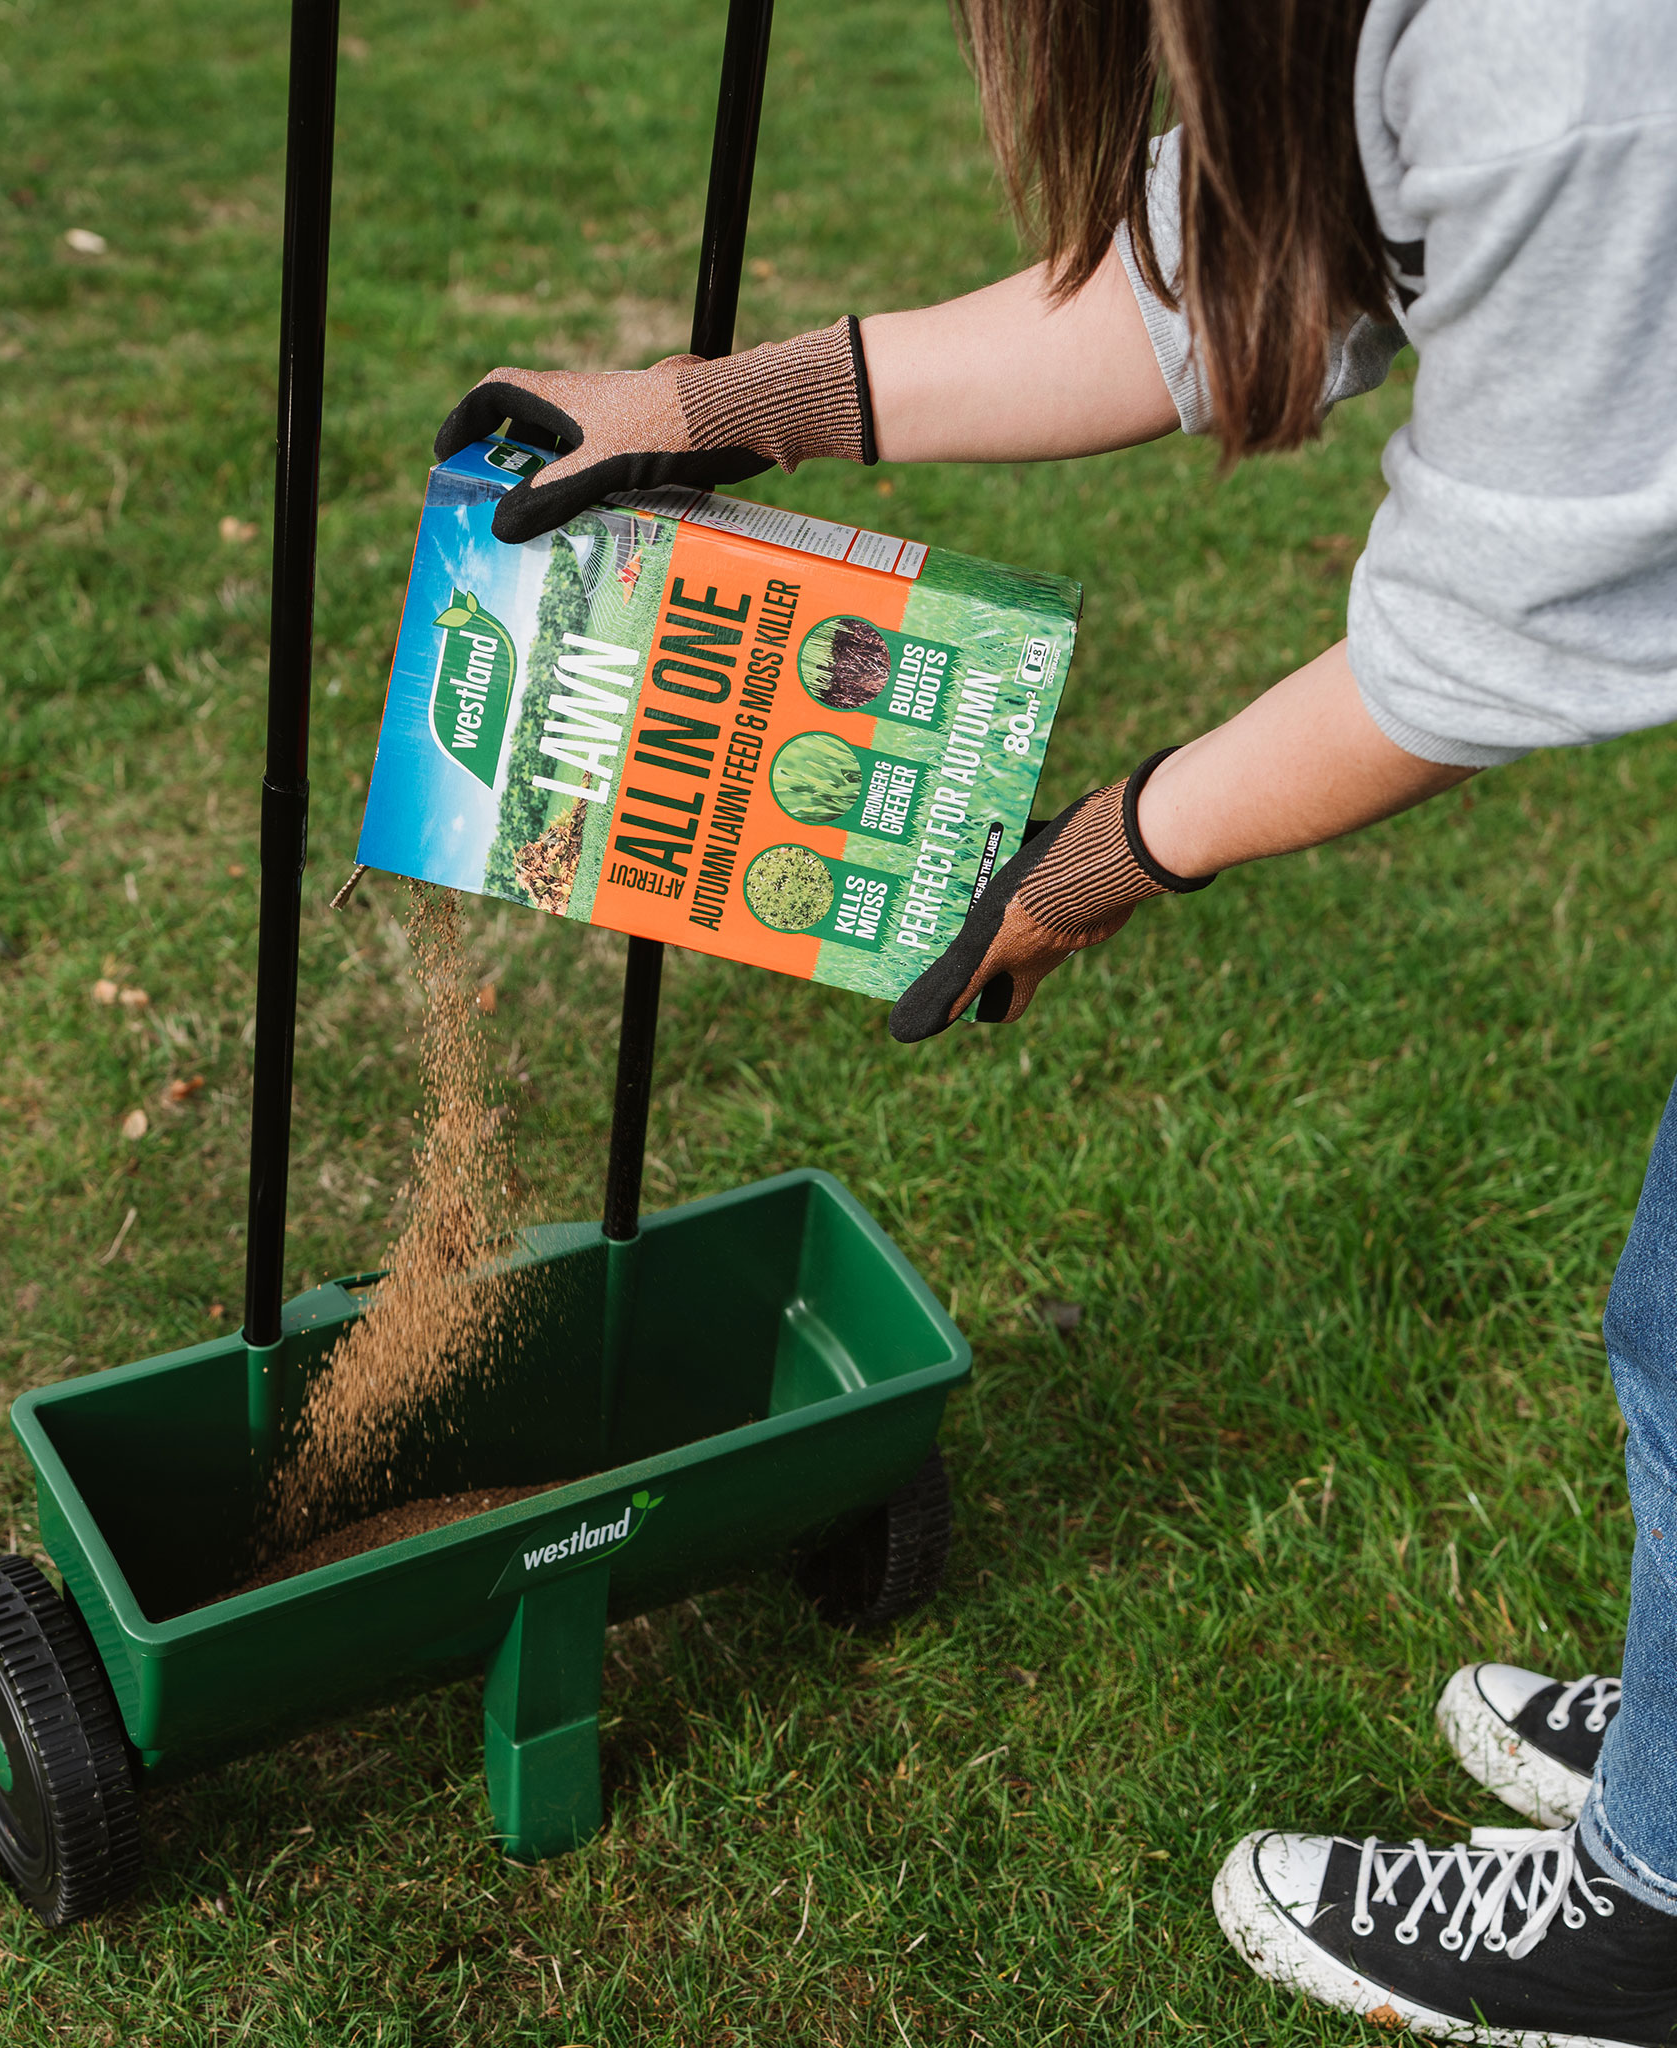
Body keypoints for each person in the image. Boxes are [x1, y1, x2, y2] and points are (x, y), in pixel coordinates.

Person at [434, 0, 1677, 2037]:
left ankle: (1650, 1898)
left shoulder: (1550, 59)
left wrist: (1090, 862)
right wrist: (709, 401)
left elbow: (1476, 643)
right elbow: (1232, 269)